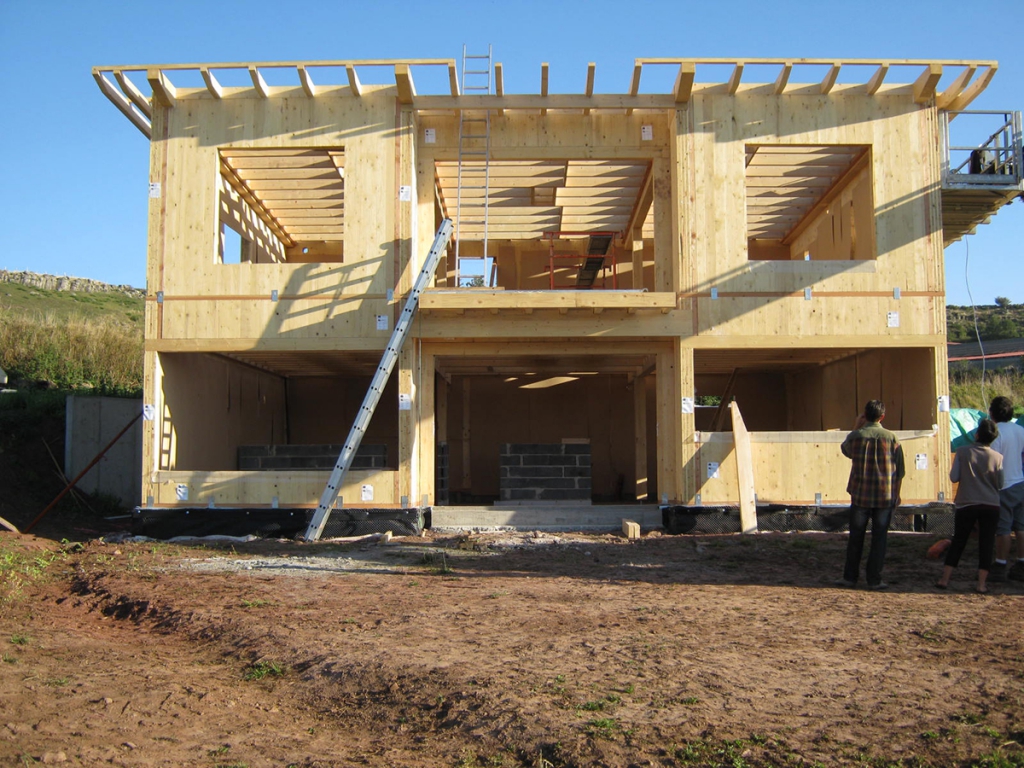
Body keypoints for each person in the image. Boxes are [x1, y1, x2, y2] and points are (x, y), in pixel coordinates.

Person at [838, 400, 905, 590]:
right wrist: (897, 495)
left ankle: (850, 577)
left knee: (856, 537)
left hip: (860, 495)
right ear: (882, 417)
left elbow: (845, 450)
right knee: (879, 539)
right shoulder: (892, 438)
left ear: (864, 415)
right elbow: (899, 471)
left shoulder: (857, 437)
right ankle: (874, 579)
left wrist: (855, 427)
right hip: (884, 496)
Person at [936, 418, 1003, 593]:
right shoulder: (998, 457)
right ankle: (981, 584)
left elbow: (954, 477)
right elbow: (1001, 484)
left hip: (966, 503)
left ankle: (945, 579)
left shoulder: (962, 451)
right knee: (987, 543)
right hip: (990, 504)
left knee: (959, 540)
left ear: (977, 434)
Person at [987, 396, 1024, 582]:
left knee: (1003, 528)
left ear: (992, 413)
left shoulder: (996, 433)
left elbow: (993, 460)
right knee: (1020, 525)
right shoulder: (1020, 430)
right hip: (1020, 481)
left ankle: (1000, 563)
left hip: (1003, 484)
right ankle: (1021, 562)